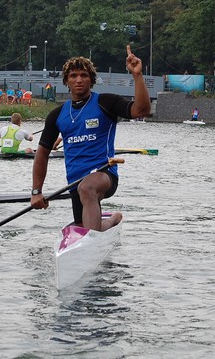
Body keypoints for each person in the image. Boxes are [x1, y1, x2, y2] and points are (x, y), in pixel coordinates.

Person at [31, 45, 150, 232]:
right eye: (74, 76)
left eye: (84, 76)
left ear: (92, 80)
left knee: (87, 189)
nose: (79, 80)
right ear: (66, 81)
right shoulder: (56, 115)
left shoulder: (106, 103)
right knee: (84, 223)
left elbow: (141, 111)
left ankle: (91, 242)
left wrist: (137, 75)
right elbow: (42, 154)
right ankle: (112, 220)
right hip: (74, 182)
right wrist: (36, 192)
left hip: (104, 174)